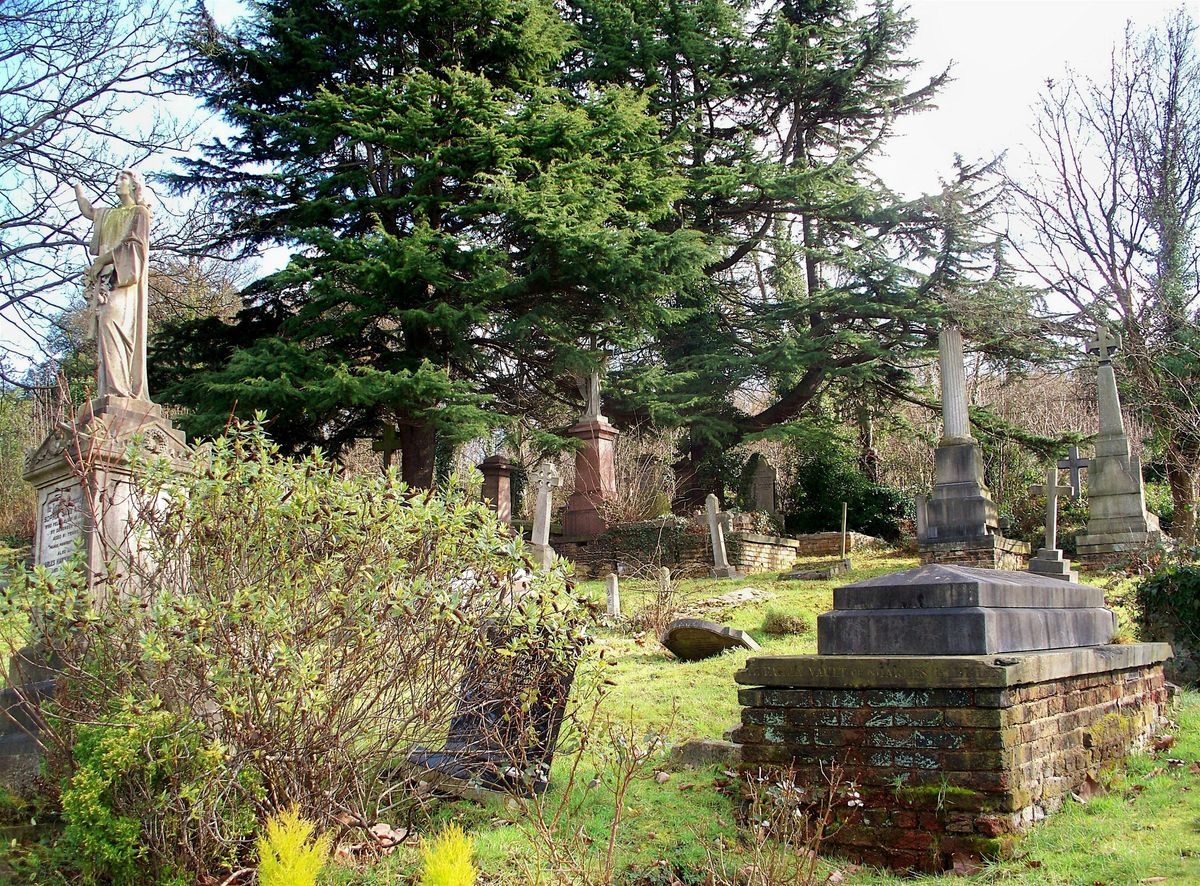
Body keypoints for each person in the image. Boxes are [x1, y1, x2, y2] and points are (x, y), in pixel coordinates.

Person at [75, 169, 151, 400]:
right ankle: (110, 390)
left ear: (134, 185)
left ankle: (121, 390)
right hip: (107, 281)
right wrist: (77, 186)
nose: (116, 183)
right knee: (105, 329)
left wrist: (103, 259)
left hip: (125, 280)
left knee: (111, 322)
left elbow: (136, 247)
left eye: (122, 180)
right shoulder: (108, 214)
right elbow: (88, 210)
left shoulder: (140, 213)